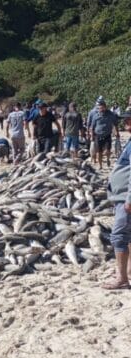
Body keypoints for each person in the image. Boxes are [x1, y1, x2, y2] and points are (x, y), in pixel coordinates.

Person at [103, 109, 131, 289]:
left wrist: (129, 198)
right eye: (126, 121)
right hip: (121, 196)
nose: (126, 124)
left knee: (119, 236)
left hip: (125, 199)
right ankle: (127, 271)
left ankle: (121, 279)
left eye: (129, 121)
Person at [87, 97, 122, 169]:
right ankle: (100, 165)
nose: (101, 109)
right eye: (100, 108)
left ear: (105, 107)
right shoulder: (95, 116)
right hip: (98, 136)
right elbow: (92, 127)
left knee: (107, 151)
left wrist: (117, 133)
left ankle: (108, 159)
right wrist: (92, 136)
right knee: (99, 152)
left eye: (102, 108)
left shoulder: (110, 115)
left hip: (107, 135)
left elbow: (115, 124)